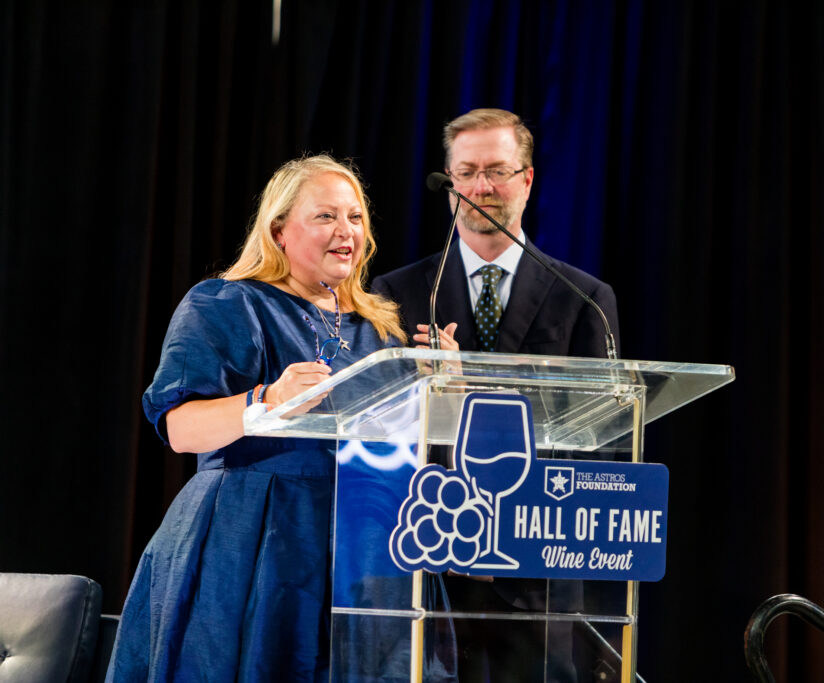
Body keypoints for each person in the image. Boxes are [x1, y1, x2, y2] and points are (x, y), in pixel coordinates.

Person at [106, 155, 458, 682]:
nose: (347, 232)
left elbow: (406, 445)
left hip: (364, 549)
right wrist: (265, 399)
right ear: (279, 231)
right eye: (326, 217)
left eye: (356, 217)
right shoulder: (226, 304)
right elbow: (180, 428)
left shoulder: (381, 330)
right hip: (254, 540)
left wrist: (445, 388)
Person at [372, 109, 621, 682]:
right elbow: (379, 433)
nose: (482, 187)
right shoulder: (397, 294)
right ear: (448, 182)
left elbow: (599, 442)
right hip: (426, 573)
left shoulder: (583, 300)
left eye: (497, 171)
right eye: (467, 172)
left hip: (535, 580)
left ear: (527, 180)